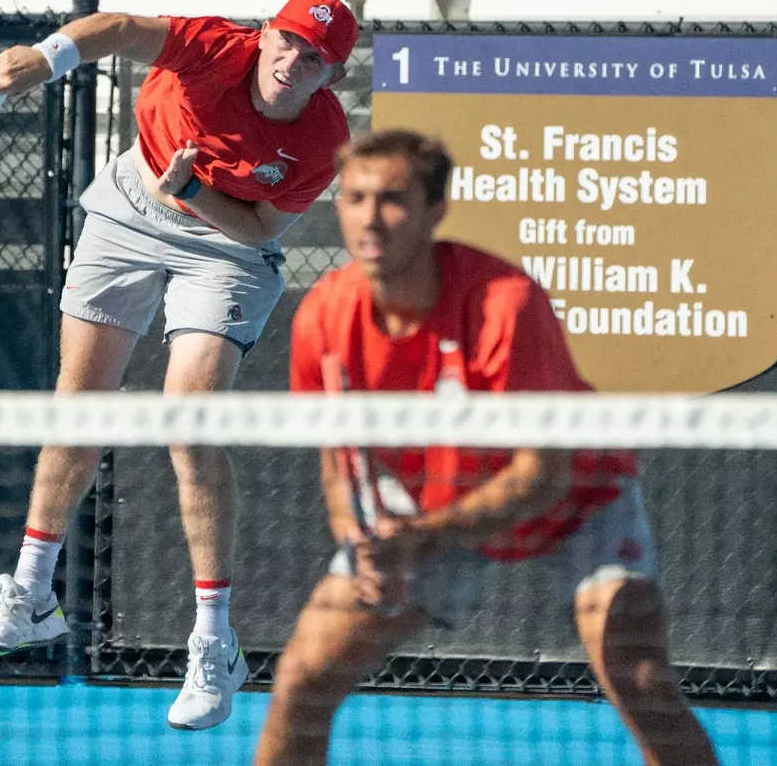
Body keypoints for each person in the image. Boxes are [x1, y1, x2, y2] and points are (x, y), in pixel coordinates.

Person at [0, 0, 357, 731]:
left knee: (188, 428)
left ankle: (215, 644)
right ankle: (32, 595)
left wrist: (196, 191)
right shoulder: (213, 46)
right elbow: (118, 29)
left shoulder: (321, 140)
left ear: (331, 77)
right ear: (266, 34)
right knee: (80, 405)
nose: (294, 62)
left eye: (316, 58)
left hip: (224, 247)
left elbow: (258, 226)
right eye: (289, 42)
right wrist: (44, 59)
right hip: (129, 207)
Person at [256, 130, 719, 766]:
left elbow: (540, 476)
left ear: (435, 211)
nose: (369, 218)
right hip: (428, 505)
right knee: (303, 680)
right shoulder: (323, 316)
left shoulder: (506, 303)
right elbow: (338, 458)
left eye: (391, 200)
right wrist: (360, 541)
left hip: (579, 498)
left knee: (638, 677)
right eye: (354, 197)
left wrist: (419, 535)